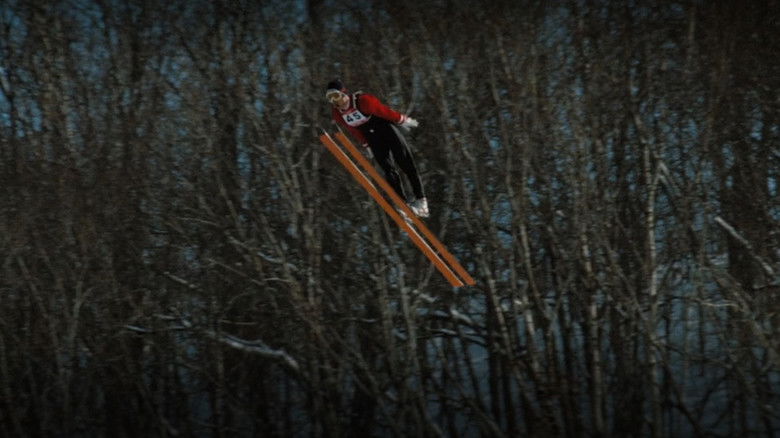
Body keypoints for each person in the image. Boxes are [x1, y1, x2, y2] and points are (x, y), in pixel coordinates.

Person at [326, 79, 429, 218]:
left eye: (336, 96)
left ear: (344, 93)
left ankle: (421, 201)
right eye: (331, 98)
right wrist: (366, 144)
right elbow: (353, 129)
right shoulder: (337, 114)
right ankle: (403, 204)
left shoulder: (362, 101)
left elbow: (384, 111)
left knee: (404, 161)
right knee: (387, 169)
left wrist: (402, 119)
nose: (335, 101)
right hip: (371, 137)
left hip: (385, 128)